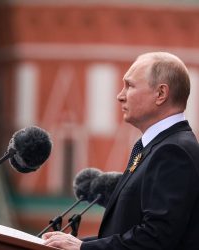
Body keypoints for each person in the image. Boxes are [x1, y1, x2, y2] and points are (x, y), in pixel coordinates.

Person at [43, 52, 199, 250]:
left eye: (130, 85)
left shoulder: (173, 152)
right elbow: (127, 231)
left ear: (161, 94)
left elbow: (155, 239)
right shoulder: (158, 146)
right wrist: (78, 244)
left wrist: (83, 248)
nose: (120, 95)